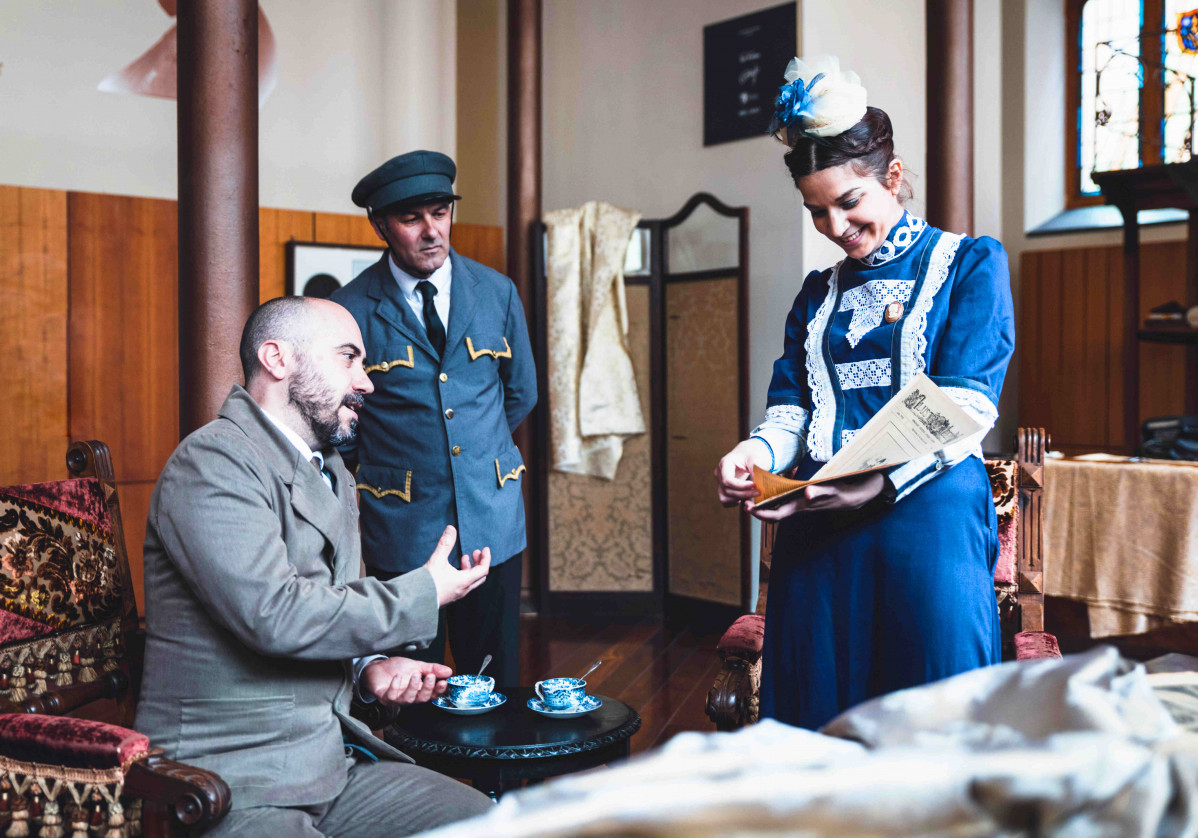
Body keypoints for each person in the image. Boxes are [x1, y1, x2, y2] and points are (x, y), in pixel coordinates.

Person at [714, 56, 1015, 730]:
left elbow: (965, 403)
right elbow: (792, 406)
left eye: (849, 203)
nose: (834, 228)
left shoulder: (969, 264)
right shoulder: (817, 294)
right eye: (816, 212)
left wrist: (869, 485)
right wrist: (756, 450)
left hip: (927, 516)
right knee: (818, 711)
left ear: (894, 177)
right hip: (818, 522)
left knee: (934, 713)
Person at [134, 296, 495, 836]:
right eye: (349, 358)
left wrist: (370, 667)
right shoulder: (211, 462)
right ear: (277, 359)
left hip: (328, 762)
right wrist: (424, 591)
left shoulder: (333, 472)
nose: (367, 381)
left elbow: (335, 595)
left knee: (486, 821)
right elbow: (274, 615)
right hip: (229, 779)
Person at [332, 150, 536, 689]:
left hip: (491, 519)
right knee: (411, 685)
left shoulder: (496, 292)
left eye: (440, 212)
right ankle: (419, 777)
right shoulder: (349, 308)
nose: (431, 231)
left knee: (493, 679)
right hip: (402, 527)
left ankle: (497, 779)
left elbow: (521, 393)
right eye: (411, 218)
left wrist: (471, 454)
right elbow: (342, 422)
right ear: (380, 225)